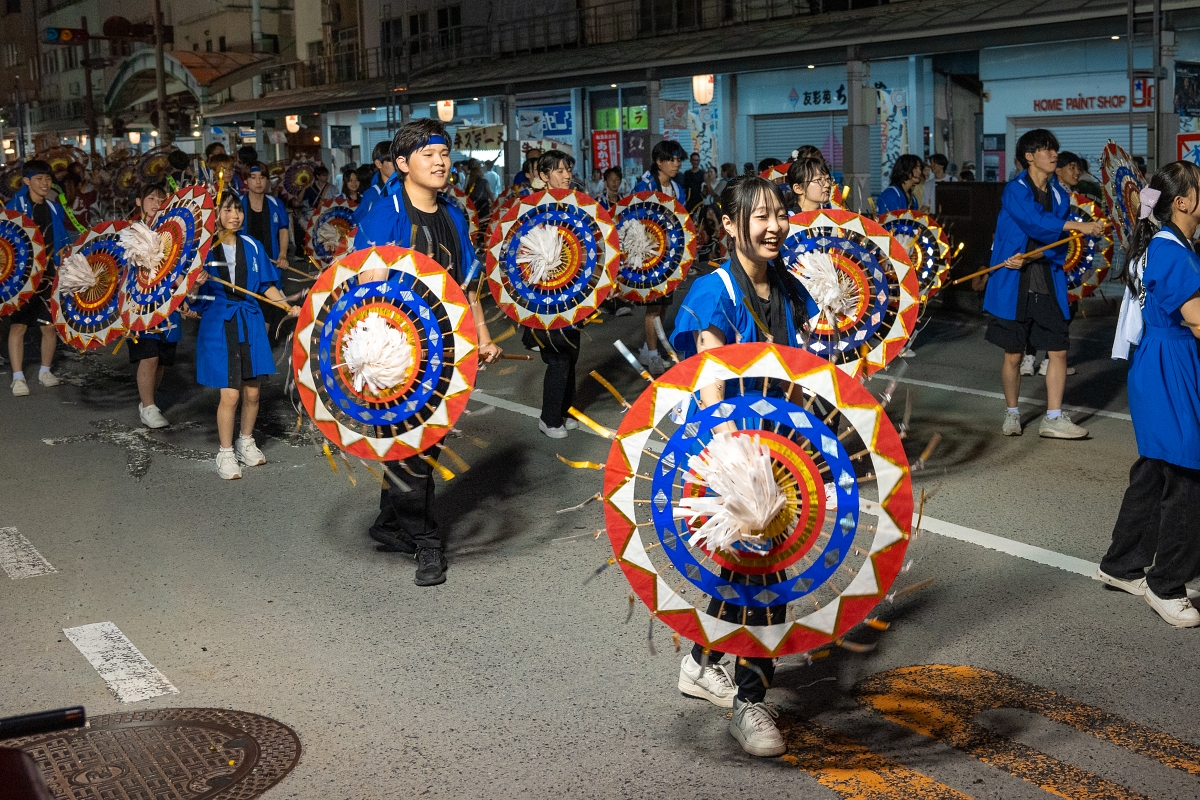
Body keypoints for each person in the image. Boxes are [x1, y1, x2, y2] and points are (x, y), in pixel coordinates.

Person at [669, 176, 817, 758]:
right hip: (729, 454)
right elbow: (709, 383)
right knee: (767, 573)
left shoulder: (787, 285)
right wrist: (737, 470)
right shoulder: (715, 291)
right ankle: (750, 702)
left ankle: (701, 661)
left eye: (780, 214)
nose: (774, 226)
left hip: (779, 449)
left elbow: (800, 367)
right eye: (760, 216)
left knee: (744, 571)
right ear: (730, 225)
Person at [354, 117, 503, 586]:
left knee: (423, 442)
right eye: (428, 155)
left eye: (444, 154)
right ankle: (427, 541)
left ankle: (389, 522)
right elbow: (365, 291)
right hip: (394, 353)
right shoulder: (384, 214)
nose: (440, 163)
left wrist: (482, 336)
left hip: (444, 347)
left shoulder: (454, 215)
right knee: (412, 446)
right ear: (402, 164)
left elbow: (467, 284)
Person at [1100, 162, 1200, 628]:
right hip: (1171, 364)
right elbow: (1197, 320)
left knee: (1158, 467)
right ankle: (1167, 585)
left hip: (1156, 361)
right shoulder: (1172, 252)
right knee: (1188, 473)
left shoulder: (1160, 242)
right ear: (1183, 202)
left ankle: (1122, 564)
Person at [982, 129, 1104, 439]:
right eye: (1047, 150)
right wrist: (1077, 225)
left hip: (1047, 280)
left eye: (1054, 150)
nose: (1054, 155)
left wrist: (1040, 252)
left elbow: (1056, 241)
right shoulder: (1015, 190)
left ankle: (1053, 417)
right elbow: (1033, 221)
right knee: (1013, 354)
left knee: (1058, 350)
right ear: (1029, 156)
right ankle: (1012, 412)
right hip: (1014, 282)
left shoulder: (1060, 195)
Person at [191, 191, 299, 480]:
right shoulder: (203, 250)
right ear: (215, 215)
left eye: (237, 209)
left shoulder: (252, 245)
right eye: (227, 210)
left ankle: (245, 441)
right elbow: (192, 297)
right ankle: (225, 452)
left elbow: (266, 285)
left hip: (250, 321)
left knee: (253, 391)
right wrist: (196, 283)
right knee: (230, 393)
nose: (234, 215)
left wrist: (286, 305)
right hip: (220, 323)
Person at [521, 150, 587, 439]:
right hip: (544, 295)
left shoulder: (575, 205)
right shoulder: (531, 208)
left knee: (572, 353)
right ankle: (549, 419)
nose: (567, 175)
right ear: (544, 176)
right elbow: (520, 254)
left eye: (568, 169)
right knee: (558, 355)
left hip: (573, 291)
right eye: (559, 171)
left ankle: (564, 411)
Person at [7, 160, 70, 396]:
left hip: (50, 275)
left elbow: (62, 240)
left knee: (49, 326)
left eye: (48, 179)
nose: (45, 183)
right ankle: (18, 377)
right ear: (26, 181)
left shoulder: (55, 208)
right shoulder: (14, 208)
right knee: (19, 326)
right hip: (21, 277)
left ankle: (45, 371)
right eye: (39, 179)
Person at [633, 140, 687, 375]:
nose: (676, 164)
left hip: (670, 254)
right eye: (671, 159)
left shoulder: (677, 188)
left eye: (678, 159)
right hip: (650, 255)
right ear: (658, 161)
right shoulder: (644, 186)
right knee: (654, 306)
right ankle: (653, 354)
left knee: (664, 304)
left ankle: (648, 349)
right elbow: (634, 220)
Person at [126, 183, 177, 429]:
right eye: (151, 198)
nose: (156, 203)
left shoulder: (173, 231)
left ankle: (148, 402)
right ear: (139, 201)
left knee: (162, 359)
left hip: (167, 304)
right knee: (149, 356)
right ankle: (148, 407)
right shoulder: (130, 232)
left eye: (161, 199)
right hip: (140, 304)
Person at [355, 141, 396, 224]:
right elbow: (360, 222)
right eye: (392, 160)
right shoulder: (371, 194)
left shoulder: (407, 188)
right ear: (379, 163)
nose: (398, 164)